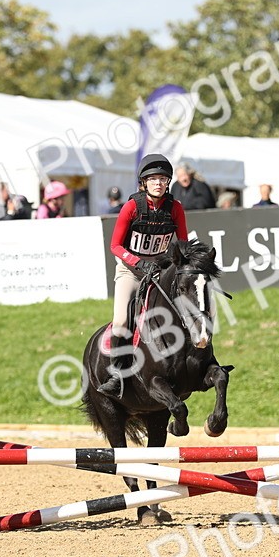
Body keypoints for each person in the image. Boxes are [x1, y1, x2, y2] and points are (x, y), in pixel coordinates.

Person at [97, 153, 190, 398]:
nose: (158, 183)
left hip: (160, 270)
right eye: (153, 179)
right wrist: (138, 263)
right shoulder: (131, 207)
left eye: (163, 179)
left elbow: (182, 243)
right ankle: (117, 375)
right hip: (131, 270)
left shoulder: (175, 208)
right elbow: (115, 246)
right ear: (143, 183)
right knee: (120, 322)